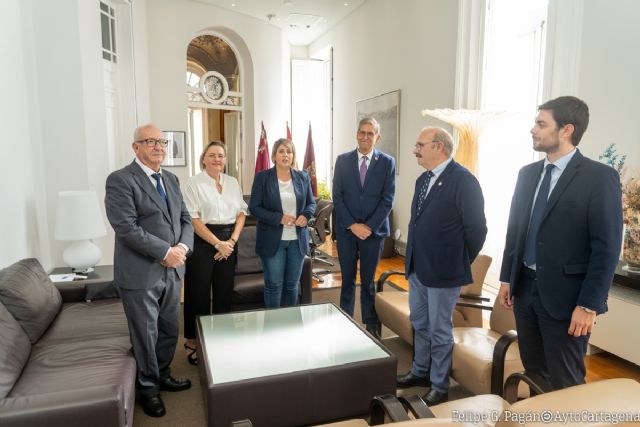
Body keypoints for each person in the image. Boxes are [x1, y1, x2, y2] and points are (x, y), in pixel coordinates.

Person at [498, 96, 623, 390]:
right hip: (525, 291)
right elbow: (515, 232)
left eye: (541, 124)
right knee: (535, 372)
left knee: (565, 381)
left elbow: (606, 249)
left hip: (568, 300)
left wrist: (589, 305)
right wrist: (507, 277)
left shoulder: (599, 177)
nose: (533, 129)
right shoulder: (526, 175)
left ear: (566, 130)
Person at [104, 124, 194, 418]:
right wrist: (165, 252)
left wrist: (181, 248)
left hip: (172, 270)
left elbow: (185, 219)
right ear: (136, 147)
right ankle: (148, 389)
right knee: (145, 333)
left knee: (169, 328)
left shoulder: (171, 178)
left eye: (162, 142)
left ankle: (164, 374)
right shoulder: (120, 180)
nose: (158, 147)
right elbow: (126, 228)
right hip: (140, 273)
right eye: (150, 141)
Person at [396, 126, 487, 406]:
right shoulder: (423, 179)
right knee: (420, 323)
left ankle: (440, 385)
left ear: (439, 146)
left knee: (439, 329)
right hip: (417, 267)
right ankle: (421, 371)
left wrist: (457, 260)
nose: (415, 150)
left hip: (444, 272)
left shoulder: (464, 180)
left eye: (420, 145)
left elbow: (477, 230)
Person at [182, 141, 247, 365]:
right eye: (212, 155)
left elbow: (241, 213)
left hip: (229, 240)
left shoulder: (232, 182)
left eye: (220, 156)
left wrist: (231, 241)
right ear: (204, 159)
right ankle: (193, 341)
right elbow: (193, 219)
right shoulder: (194, 183)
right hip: (202, 240)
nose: (217, 159)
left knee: (223, 292)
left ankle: (219, 336)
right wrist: (217, 243)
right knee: (197, 293)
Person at [332, 117, 395, 336]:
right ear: (356, 134)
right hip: (347, 232)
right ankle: (345, 321)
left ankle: (371, 324)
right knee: (347, 279)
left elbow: (388, 199)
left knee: (368, 280)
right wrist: (352, 225)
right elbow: (337, 197)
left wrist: (367, 226)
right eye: (362, 132)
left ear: (377, 137)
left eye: (370, 133)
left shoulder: (387, 162)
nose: (365, 137)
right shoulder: (342, 161)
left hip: (373, 233)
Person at [249, 138, 316, 307]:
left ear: (293, 156)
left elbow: (311, 203)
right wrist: (278, 218)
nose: (285, 155)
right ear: (274, 155)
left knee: (292, 285)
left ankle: (289, 325)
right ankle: (273, 326)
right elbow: (254, 207)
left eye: (289, 151)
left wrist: (306, 216)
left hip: (297, 240)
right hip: (273, 240)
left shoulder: (302, 177)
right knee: (274, 285)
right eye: (281, 151)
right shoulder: (262, 178)